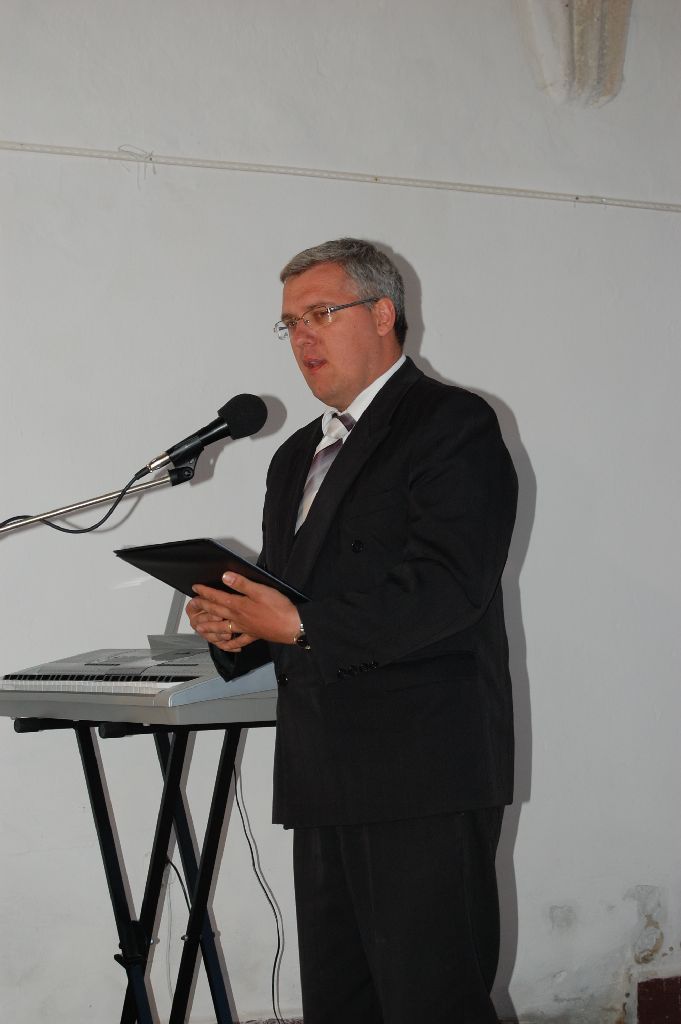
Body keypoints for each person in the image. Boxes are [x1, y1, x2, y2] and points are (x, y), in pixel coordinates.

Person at [187, 238, 518, 1023]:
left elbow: (450, 587)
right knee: (341, 1003)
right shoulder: (295, 455)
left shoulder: (450, 423)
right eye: (290, 323)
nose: (302, 337)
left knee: (432, 1002)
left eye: (320, 313)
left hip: (420, 771)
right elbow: (286, 599)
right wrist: (239, 629)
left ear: (381, 314)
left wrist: (295, 621)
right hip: (321, 764)